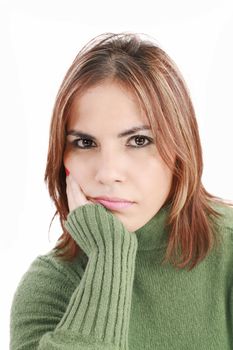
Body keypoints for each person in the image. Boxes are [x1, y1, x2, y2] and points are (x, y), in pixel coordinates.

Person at [10, 32, 233, 350]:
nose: (108, 173)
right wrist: (108, 257)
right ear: (62, 156)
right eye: (85, 143)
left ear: (180, 149)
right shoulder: (50, 284)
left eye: (139, 141)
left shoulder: (228, 250)